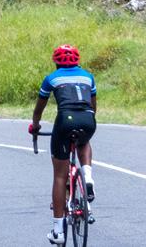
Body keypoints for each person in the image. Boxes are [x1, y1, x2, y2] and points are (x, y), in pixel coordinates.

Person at [29, 44, 98, 246]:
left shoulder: (51, 79)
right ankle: (87, 175)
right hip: (88, 119)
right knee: (84, 142)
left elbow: (39, 109)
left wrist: (35, 125)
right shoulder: (88, 77)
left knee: (60, 176)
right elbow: (93, 105)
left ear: (56, 61)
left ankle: (58, 230)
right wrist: (87, 122)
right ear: (78, 60)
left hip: (65, 121)